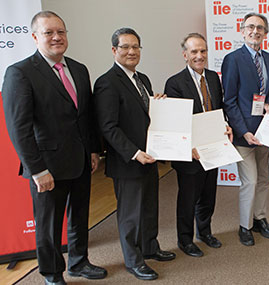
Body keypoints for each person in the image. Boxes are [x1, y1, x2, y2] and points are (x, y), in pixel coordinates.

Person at [1, 11, 107, 285]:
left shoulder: (79, 69)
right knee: (48, 225)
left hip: (81, 159)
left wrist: (94, 150)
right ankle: (52, 273)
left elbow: (85, 116)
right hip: (47, 166)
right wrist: (37, 170)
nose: (56, 37)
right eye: (48, 32)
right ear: (35, 37)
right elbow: (19, 128)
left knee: (79, 216)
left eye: (61, 31)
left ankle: (79, 262)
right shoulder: (20, 73)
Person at [93, 28, 175, 280]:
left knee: (149, 206)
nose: (131, 51)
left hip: (149, 157)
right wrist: (134, 153)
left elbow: (144, 115)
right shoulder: (107, 82)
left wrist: (158, 102)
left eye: (136, 47)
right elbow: (108, 126)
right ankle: (133, 260)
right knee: (130, 214)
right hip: (128, 160)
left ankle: (150, 247)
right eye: (125, 47)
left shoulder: (143, 79)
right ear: (114, 50)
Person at [164, 33, 232, 257]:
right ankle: (185, 240)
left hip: (213, 148)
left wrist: (226, 126)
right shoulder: (174, 83)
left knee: (208, 195)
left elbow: (218, 109)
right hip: (190, 152)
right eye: (194, 52)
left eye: (203, 51)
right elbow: (175, 122)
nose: (199, 56)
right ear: (185, 55)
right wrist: (188, 147)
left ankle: (205, 232)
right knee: (187, 199)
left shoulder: (213, 77)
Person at [221, 12, 269, 246]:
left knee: (265, 178)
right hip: (244, 134)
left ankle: (260, 218)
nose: (255, 31)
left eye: (260, 28)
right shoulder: (232, 59)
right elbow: (230, 100)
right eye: (251, 27)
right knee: (250, 181)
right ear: (242, 30)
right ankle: (245, 226)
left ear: (266, 33)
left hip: (265, 131)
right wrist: (243, 131)